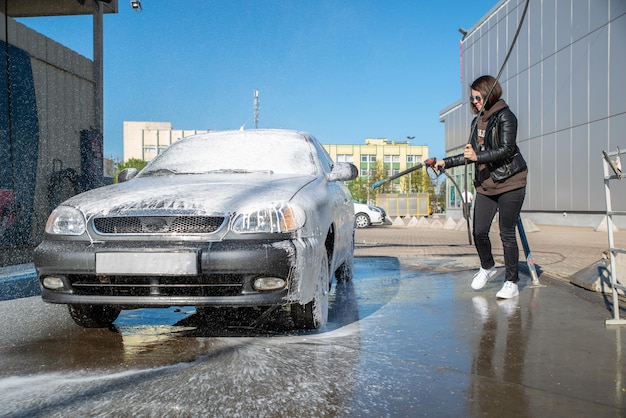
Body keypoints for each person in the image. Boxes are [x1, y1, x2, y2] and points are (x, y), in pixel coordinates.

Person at [434, 75, 528, 299]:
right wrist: (445, 162)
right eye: (471, 98)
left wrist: (478, 155)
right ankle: (487, 267)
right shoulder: (476, 122)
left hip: (510, 180)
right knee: (479, 231)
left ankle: (511, 282)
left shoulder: (506, 116)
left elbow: (507, 149)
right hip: (486, 185)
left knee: (506, 233)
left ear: (488, 93)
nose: (474, 101)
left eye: (477, 97)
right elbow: (470, 155)